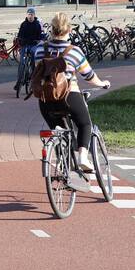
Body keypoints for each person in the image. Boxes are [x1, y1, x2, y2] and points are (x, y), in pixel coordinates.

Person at [31, 12, 111, 173]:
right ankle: (82, 157)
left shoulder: (40, 49)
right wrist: (102, 83)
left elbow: (37, 71)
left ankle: (62, 160)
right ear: (69, 30)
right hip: (69, 96)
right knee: (85, 124)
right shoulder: (74, 51)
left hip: (45, 100)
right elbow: (89, 76)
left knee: (57, 130)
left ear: (52, 30)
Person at [14, 7, 44, 97]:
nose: (30, 16)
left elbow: (41, 35)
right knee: (22, 63)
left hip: (33, 45)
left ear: (34, 15)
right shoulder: (24, 24)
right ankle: (19, 81)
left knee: (34, 58)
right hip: (25, 45)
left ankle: (33, 79)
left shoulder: (37, 24)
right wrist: (19, 40)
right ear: (27, 15)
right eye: (28, 14)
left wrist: (40, 39)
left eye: (31, 14)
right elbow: (20, 35)